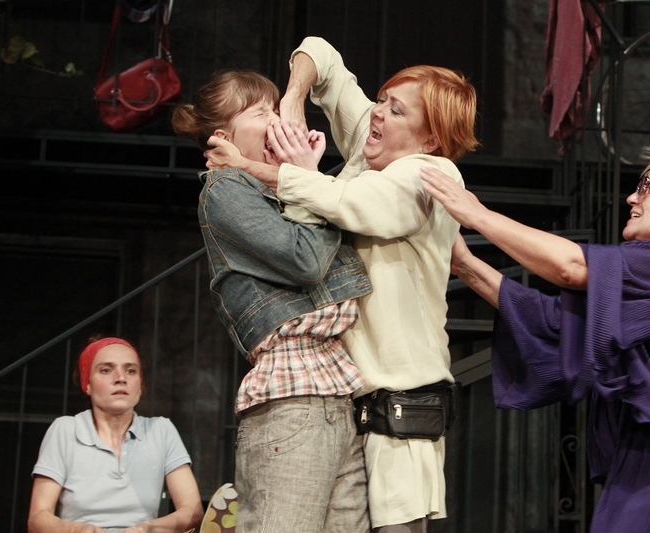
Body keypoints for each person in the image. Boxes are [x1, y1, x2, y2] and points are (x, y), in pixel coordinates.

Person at [419, 141, 650, 532]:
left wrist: (477, 214)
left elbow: (571, 266)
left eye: (649, 187)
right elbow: (556, 322)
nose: (632, 197)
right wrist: (467, 266)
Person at [204, 37, 478, 532]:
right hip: (345, 397)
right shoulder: (373, 145)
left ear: (430, 140)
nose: (378, 113)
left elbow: (346, 203)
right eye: (382, 99)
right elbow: (321, 55)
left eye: (396, 110)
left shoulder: (426, 173)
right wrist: (293, 98)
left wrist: (248, 166)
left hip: (397, 409)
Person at [171, 70, 373, 533]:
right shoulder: (225, 189)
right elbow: (305, 259)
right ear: (223, 138)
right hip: (292, 394)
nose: (278, 118)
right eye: (261, 112)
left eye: (276, 107)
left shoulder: (278, 188)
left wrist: (303, 178)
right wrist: (308, 180)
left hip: (339, 388)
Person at [28, 336, 203, 533]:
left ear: (139, 386)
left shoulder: (161, 430)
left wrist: (150, 528)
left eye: (130, 371)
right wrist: (78, 530)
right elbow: (38, 517)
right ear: (87, 384)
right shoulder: (66, 430)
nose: (121, 378)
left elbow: (193, 512)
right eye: (106, 370)